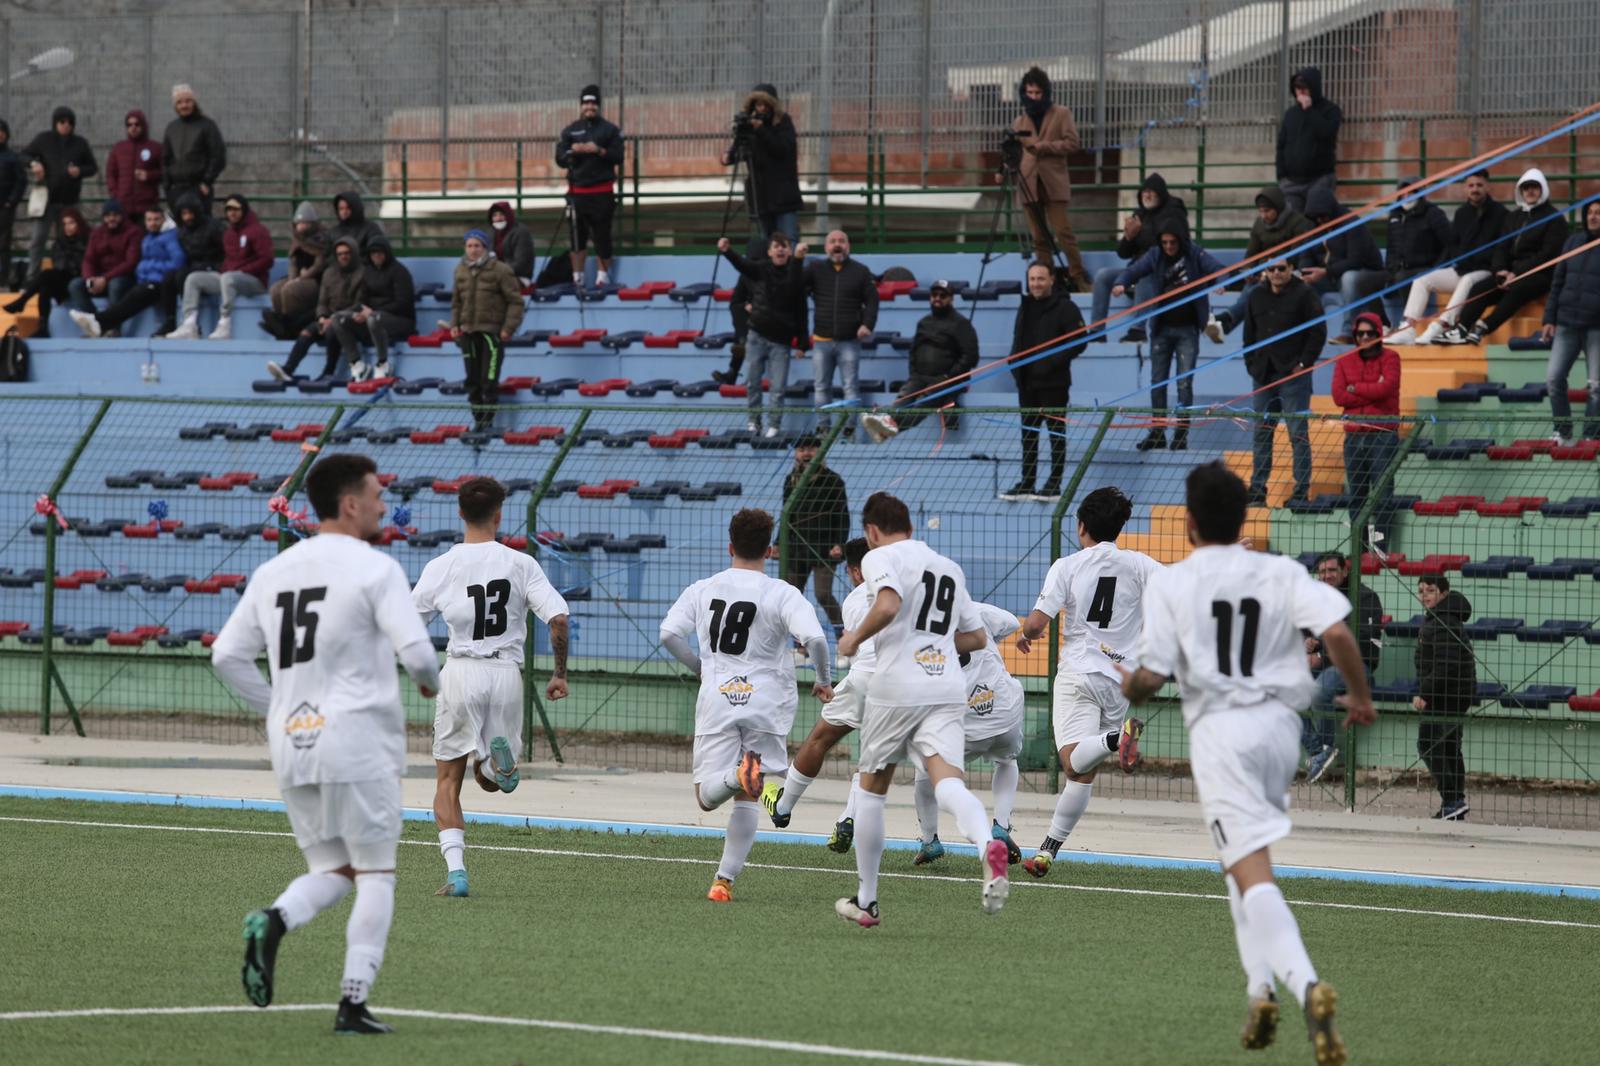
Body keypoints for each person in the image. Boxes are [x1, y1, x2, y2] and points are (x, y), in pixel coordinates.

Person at [1119, 461, 1375, 1061]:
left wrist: (1129, 684)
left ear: (1188, 523)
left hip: (1223, 733)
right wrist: (1360, 697)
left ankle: (1306, 984)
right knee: (1239, 857)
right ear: (1243, 520)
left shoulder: (1174, 583)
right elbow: (1337, 633)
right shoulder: (1280, 569)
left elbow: (1151, 678)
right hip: (1281, 730)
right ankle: (1259, 990)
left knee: (1250, 869)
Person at [211, 452, 441, 1036]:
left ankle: (274, 919)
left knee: (333, 870)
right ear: (350, 504)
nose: (384, 503)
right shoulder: (374, 567)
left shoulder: (274, 570)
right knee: (377, 873)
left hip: (294, 743)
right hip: (358, 742)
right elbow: (417, 654)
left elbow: (225, 656)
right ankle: (353, 1002)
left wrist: (278, 709)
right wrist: (428, 682)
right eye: (377, 493)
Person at [832, 492, 1007, 925]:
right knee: (946, 781)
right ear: (910, 525)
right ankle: (988, 844)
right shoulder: (948, 567)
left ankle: (867, 900)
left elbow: (888, 603)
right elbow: (977, 638)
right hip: (947, 686)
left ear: (872, 531)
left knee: (872, 787)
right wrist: (935, 645)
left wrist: (853, 639)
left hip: (897, 687)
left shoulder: (879, 557)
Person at [659, 508, 833, 903]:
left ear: (730, 545)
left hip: (719, 696)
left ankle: (739, 777)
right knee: (749, 796)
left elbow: (668, 633)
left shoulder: (703, 588)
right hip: (767, 699)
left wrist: (701, 668)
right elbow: (817, 641)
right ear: (770, 550)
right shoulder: (782, 592)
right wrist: (823, 681)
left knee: (705, 798)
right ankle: (723, 881)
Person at [411, 476, 570, 897]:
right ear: (499, 515)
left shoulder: (441, 566)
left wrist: (422, 676)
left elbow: (408, 629)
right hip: (505, 674)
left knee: (448, 781)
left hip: (461, 670)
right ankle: (493, 763)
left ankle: (457, 874)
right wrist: (559, 673)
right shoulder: (521, 564)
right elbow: (558, 620)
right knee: (492, 782)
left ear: (460, 513)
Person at [1014, 486, 1161, 878]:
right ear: (1120, 527)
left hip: (1079, 673)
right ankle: (1048, 850)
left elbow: (1037, 621)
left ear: (1081, 526)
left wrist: (1027, 633)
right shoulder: (1140, 565)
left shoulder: (1068, 565)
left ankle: (1117, 740)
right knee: (1084, 773)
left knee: (1070, 761)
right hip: (1118, 683)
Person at [763, 536, 872, 851]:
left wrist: (829, 681)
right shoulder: (905, 591)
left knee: (820, 739)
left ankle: (783, 807)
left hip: (867, 679)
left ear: (854, 571)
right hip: (909, 686)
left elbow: (859, 653)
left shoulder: (854, 600)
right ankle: (849, 819)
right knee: (873, 757)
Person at [907, 601, 1027, 867]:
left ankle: (930, 841)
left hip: (967, 729)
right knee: (1007, 760)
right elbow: (1012, 622)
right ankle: (1002, 826)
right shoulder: (976, 610)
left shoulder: (918, 631)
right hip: (1003, 714)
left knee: (924, 771)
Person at [1116, 220, 1226, 452]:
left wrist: (1220, 282)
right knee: (1158, 382)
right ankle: (1158, 432)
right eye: (1164, 242)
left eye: (1172, 242)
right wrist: (1121, 283)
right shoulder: (1155, 255)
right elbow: (1134, 270)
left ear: (1181, 240)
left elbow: (1217, 267)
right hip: (1161, 330)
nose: (1168, 246)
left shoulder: (1194, 253)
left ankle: (1181, 434)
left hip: (1188, 329)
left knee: (1184, 383)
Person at [1449, 168, 1568, 346]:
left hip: (1540, 275)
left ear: (1543, 189)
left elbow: (1547, 255)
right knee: (1480, 287)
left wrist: (1517, 272)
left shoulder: (1555, 219)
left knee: (1517, 289)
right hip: (1511, 273)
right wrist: (1500, 271)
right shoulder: (1513, 217)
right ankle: (1461, 329)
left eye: (1535, 187)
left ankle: (1483, 327)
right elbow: (1501, 247)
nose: (1530, 191)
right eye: (1526, 188)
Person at [1385, 170, 1506, 345]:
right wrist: (1460, 261)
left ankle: (1440, 326)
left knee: (1468, 280)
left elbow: (1500, 248)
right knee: (1422, 280)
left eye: (1479, 185)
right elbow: (1453, 244)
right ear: (1465, 188)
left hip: (1485, 271)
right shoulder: (1461, 213)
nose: (1475, 189)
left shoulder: (1500, 214)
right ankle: (1408, 328)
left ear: (1488, 187)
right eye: (1471, 185)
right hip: (1462, 269)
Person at [1244, 259, 1326, 505]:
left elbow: (1318, 331)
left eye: (1281, 268)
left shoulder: (1306, 293)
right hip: (1263, 374)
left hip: (1293, 376)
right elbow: (1249, 334)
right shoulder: (1255, 295)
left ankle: (1301, 489)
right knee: (1261, 433)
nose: (1276, 273)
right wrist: (1252, 365)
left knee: (1297, 433)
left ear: (1291, 269)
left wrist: (1304, 364)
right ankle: (1257, 489)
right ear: (1265, 272)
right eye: (1271, 269)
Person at [1003, 261, 1086, 500]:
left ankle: (1054, 483)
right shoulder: (1025, 306)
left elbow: (1080, 341)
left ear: (1051, 280)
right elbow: (1018, 338)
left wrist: (1051, 363)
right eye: (1032, 279)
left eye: (1041, 279)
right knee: (1028, 435)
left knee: (1055, 434)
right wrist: (1013, 363)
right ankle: (1027, 481)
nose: (1036, 284)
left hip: (1054, 383)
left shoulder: (1066, 307)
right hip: (1026, 383)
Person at [858, 280, 980, 443]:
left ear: (951, 299)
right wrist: (914, 373)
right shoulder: (924, 322)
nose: (937, 298)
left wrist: (949, 376)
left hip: (945, 380)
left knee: (922, 406)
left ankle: (886, 430)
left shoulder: (962, 324)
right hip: (919, 376)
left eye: (942, 295)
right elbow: (914, 351)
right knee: (903, 397)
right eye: (934, 294)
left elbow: (971, 357)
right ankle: (885, 424)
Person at [1299, 551, 1384, 783]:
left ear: (1345, 571)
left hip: (1357, 669)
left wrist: (1320, 654)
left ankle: (1326, 747)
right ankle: (1319, 752)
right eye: (1323, 571)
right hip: (1323, 665)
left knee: (1318, 690)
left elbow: (1361, 642)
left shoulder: (1365, 598)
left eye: (1332, 570)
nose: (1327, 576)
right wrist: (1305, 641)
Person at [717, 232, 808, 438]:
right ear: (769, 252)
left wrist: (802, 342)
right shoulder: (761, 269)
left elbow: (801, 310)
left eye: (784, 246)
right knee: (753, 382)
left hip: (781, 341)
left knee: (778, 386)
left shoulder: (796, 274)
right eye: (776, 246)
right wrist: (727, 251)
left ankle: (774, 424)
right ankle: (754, 421)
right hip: (757, 336)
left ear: (789, 251)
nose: (780, 249)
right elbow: (742, 265)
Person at [1011, 66, 1090, 290]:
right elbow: (1016, 152)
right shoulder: (1020, 121)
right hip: (1029, 182)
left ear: (1045, 92)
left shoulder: (1061, 113)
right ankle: (1045, 279)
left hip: (1053, 180)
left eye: (1038, 93)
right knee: (1038, 236)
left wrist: (1045, 146)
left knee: (1063, 231)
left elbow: (1073, 143)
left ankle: (1077, 275)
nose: (1034, 97)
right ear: (1024, 93)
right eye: (1030, 93)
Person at [1330, 311, 1401, 548]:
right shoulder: (1343, 360)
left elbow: (1387, 389)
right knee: (1357, 497)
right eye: (1360, 333)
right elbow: (1339, 397)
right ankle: (1359, 549)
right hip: (1353, 436)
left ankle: (1379, 548)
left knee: (1382, 498)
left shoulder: (1392, 358)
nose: (1365, 337)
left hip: (1383, 436)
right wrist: (1371, 388)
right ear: (1354, 335)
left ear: (1379, 334)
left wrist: (1355, 389)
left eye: (1370, 333)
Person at [1091, 172, 1187, 342]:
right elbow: (1122, 253)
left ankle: (1138, 329)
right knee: (1103, 276)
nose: (1147, 195)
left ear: (1161, 193)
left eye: (1151, 192)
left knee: (1146, 272)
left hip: (1166, 272)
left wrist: (1140, 235)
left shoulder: (1174, 212)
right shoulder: (1140, 214)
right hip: (1136, 269)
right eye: (1144, 192)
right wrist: (1129, 237)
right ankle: (1096, 331)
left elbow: (1171, 246)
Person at [1207, 186, 1312, 339]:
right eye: (1261, 211)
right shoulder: (1259, 224)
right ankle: (1227, 322)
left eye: (1268, 211)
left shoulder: (1298, 222)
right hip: (1263, 272)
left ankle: (1227, 319)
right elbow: (1251, 254)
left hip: (1284, 271)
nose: (1264, 215)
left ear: (1278, 208)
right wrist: (1250, 271)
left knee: (1254, 291)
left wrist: (1269, 270)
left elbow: (1295, 255)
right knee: (1251, 286)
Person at [68, 207, 184, 339]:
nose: (153, 223)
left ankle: (99, 321)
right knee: (131, 298)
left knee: (129, 295)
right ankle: (100, 323)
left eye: (157, 219)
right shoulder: (148, 238)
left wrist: (146, 267)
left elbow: (177, 262)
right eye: (149, 220)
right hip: (146, 280)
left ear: (164, 220)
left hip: (160, 282)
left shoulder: (170, 237)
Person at [169, 193, 272, 340]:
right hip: (229, 277)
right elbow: (228, 259)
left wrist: (242, 271)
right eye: (229, 210)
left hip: (255, 281)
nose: (232, 213)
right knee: (193, 278)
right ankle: (189, 324)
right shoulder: (229, 233)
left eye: (236, 209)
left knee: (228, 278)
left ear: (244, 210)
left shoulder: (258, 231)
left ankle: (224, 323)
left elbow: (267, 260)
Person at [450, 228, 525, 431]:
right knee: (471, 380)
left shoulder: (501, 270)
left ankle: (488, 420)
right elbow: (456, 301)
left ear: (485, 248)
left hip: (492, 334)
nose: (473, 250)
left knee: (488, 379)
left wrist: (508, 328)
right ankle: (478, 419)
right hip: (468, 333)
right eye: (469, 246)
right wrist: (455, 325)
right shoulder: (460, 270)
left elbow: (515, 302)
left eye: (477, 246)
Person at [1413, 574, 1474, 821]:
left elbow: (1445, 664)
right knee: (1449, 748)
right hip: (1455, 692)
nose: (1425, 595)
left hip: (1445, 694)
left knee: (1428, 743)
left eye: (1431, 590)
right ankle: (1454, 804)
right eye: (1421, 591)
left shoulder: (1442, 621)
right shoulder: (1442, 619)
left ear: (1444, 593)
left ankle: (1452, 799)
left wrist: (1425, 693)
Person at [804, 229, 878, 428]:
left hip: (849, 342)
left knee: (850, 388)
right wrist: (796, 260)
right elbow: (794, 288)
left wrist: (867, 325)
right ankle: (823, 429)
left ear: (848, 246)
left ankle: (849, 431)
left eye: (842, 241)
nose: (837, 245)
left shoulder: (861, 271)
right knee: (821, 389)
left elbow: (872, 301)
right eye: (832, 241)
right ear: (826, 247)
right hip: (821, 341)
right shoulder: (814, 268)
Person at [1541, 200, 1600, 442]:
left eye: (1599, 213)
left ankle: (1591, 436)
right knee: (1554, 378)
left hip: (1597, 327)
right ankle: (1563, 431)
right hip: (1566, 323)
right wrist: (1549, 318)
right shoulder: (1572, 242)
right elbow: (1557, 283)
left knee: (1596, 386)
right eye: (1591, 212)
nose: (1594, 217)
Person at [267, 237, 364, 382]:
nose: (343, 256)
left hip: (351, 319)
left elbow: (360, 304)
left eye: (347, 253)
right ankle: (288, 369)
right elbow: (322, 302)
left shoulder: (362, 274)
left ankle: (329, 371)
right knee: (307, 332)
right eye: (340, 254)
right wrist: (322, 317)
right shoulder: (329, 273)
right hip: (329, 317)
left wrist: (334, 319)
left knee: (333, 330)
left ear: (354, 253)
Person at [555, 85, 624, 286]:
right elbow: (560, 158)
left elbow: (618, 156)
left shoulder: (610, 130)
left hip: (602, 193)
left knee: (602, 236)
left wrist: (598, 150)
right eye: (586, 103)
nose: (589, 107)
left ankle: (602, 277)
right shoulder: (570, 130)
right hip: (577, 192)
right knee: (577, 237)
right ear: (581, 105)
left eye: (593, 103)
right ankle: (578, 277)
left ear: (599, 105)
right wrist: (573, 151)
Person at [1298, 186, 1385, 343]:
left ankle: (1348, 332)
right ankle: (1307, 334)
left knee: (1349, 278)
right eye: (1316, 218)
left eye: (1323, 216)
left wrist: (1325, 272)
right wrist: (1306, 272)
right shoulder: (1312, 225)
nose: (1320, 221)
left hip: (1367, 274)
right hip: (1331, 276)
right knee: (1300, 283)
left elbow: (1355, 260)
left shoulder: (1350, 221)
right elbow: (1305, 255)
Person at [782, 434, 849, 631]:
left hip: (825, 547)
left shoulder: (833, 481)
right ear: (796, 454)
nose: (807, 454)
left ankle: (843, 636)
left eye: (811, 449)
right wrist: (779, 543)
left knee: (823, 594)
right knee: (792, 596)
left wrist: (839, 544)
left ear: (820, 452)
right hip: (797, 547)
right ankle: (800, 645)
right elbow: (786, 514)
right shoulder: (790, 480)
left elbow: (842, 516)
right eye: (802, 450)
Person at [723, 83, 802, 244]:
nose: (763, 108)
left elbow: (782, 149)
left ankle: (791, 268)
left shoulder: (783, 123)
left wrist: (761, 130)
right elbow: (738, 149)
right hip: (760, 195)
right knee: (766, 240)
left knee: (788, 239)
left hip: (783, 194)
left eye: (766, 104)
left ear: (773, 105)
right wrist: (728, 156)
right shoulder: (749, 125)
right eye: (759, 104)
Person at [23, 106, 97, 276]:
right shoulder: (44, 140)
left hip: (69, 201)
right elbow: (24, 155)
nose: (66, 126)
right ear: (55, 123)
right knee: (38, 239)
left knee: (67, 241)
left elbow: (92, 167)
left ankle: (64, 274)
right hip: (47, 201)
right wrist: (34, 164)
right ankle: (31, 275)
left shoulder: (80, 143)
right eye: (62, 122)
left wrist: (79, 171)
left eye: (70, 123)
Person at [2, 206, 87, 337]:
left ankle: (22, 301)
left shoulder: (87, 240)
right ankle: (43, 328)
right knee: (45, 287)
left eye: (71, 223)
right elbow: (59, 264)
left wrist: (67, 262)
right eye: (64, 224)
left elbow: (80, 266)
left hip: (78, 279)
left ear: (79, 223)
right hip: (62, 278)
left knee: (47, 275)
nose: (68, 227)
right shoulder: (60, 243)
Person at [339, 236, 415, 380]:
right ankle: (357, 363)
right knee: (339, 318)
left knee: (374, 319)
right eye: (373, 253)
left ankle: (382, 363)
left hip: (401, 320)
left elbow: (403, 303)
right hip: (372, 316)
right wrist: (358, 312)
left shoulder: (399, 271)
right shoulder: (368, 272)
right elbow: (362, 299)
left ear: (386, 253)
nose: (376, 255)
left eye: (380, 252)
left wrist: (372, 311)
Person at [1381, 176, 1451, 330]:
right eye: (1403, 193)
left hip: (1425, 268)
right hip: (1399, 269)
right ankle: (1384, 325)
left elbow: (1449, 244)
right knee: (1369, 282)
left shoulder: (1434, 214)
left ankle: (1409, 327)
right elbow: (1391, 247)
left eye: (1412, 193)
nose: (1407, 197)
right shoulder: (1394, 215)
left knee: (1403, 278)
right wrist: (1390, 270)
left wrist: (1437, 268)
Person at [1275, 68, 1342, 214]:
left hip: (1319, 179)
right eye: (1297, 88)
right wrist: (1282, 176)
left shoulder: (1330, 110)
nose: (1301, 92)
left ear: (1314, 87)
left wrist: (1309, 110)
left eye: (1305, 88)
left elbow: (1327, 134)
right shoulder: (1290, 114)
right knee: (1292, 221)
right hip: (1291, 182)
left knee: (1318, 218)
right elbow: (1281, 145)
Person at [160, 191, 223, 337]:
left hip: (212, 268)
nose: (187, 217)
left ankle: (191, 323)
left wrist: (214, 266)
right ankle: (171, 321)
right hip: (194, 267)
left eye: (190, 213)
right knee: (169, 278)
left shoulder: (214, 227)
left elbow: (225, 252)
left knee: (186, 276)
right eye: (184, 214)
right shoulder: (182, 232)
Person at [263, 201, 328, 340]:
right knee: (276, 289)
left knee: (290, 290)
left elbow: (320, 263)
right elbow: (293, 262)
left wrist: (303, 277)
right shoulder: (296, 240)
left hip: (316, 279)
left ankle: (289, 326)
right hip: (300, 276)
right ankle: (279, 322)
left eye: (304, 223)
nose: (301, 227)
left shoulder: (321, 239)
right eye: (298, 223)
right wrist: (293, 278)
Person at [161, 84, 226, 213]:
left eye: (188, 101)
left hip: (198, 189)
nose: (184, 105)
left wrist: (206, 181)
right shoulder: (171, 128)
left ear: (194, 102)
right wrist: (167, 186)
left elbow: (218, 156)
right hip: (176, 190)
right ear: (175, 106)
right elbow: (165, 158)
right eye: (179, 102)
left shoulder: (207, 126)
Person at [68, 199, 140, 314]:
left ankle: (113, 326)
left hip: (123, 278)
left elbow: (131, 262)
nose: (111, 218)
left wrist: (105, 278)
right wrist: (89, 278)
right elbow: (89, 259)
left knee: (115, 285)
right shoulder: (97, 233)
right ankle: (95, 321)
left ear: (122, 216)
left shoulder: (133, 232)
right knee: (75, 285)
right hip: (99, 278)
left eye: (115, 215)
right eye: (108, 215)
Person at [104, 109, 161, 218]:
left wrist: (149, 175)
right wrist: (115, 195)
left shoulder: (156, 147)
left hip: (147, 206)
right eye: (129, 125)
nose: (133, 127)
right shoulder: (119, 148)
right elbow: (110, 173)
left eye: (137, 124)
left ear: (143, 125)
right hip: (123, 206)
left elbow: (164, 172)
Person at [485, 201, 534, 287]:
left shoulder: (521, 232)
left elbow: (521, 264)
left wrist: (498, 271)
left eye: (501, 214)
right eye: (494, 215)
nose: (498, 218)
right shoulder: (491, 232)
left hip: (519, 277)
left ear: (508, 215)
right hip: (495, 275)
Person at [0, 120, 24, 277]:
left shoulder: (13, 157)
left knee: (4, 243)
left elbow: (21, 181)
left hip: (5, 207)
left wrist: (11, 201)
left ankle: (3, 278)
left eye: (2, 131)